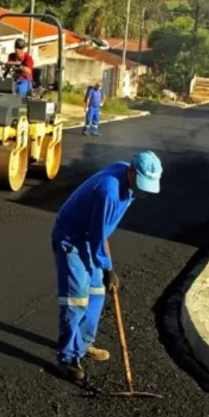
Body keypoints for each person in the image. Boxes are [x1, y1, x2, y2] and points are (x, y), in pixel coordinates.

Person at [50, 151, 164, 382]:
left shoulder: (123, 170)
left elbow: (98, 231)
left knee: (97, 293)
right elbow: (96, 235)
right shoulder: (109, 192)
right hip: (72, 239)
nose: (143, 190)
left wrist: (103, 262)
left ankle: (83, 343)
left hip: (91, 235)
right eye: (141, 182)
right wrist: (108, 269)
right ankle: (68, 358)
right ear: (132, 171)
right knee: (77, 300)